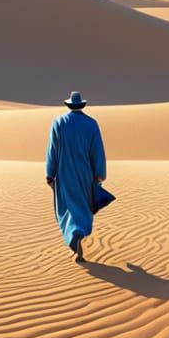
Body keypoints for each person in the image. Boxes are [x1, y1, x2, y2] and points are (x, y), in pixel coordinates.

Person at [45, 91, 106, 263]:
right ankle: (78, 233)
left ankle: (74, 234)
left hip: (64, 174)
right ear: (82, 105)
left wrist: (50, 173)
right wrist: (99, 173)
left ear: (68, 105)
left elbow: (52, 151)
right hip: (85, 173)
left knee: (69, 207)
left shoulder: (59, 123)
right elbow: (97, 151)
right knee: (83, 205)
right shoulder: (92, 124)